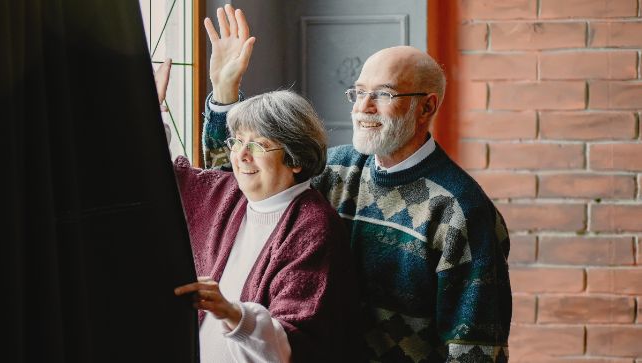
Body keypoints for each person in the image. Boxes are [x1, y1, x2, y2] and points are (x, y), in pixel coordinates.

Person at [200, 5, 512, 362]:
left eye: (384, 94)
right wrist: (225, 91)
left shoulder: (460, 210)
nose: (363, 107)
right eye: (359, 92)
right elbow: (233, 191)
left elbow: (475, 349)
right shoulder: (335, 169)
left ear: (426, 107)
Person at [154, 60, 360, 362]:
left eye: (259, 145)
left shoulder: (313, 227)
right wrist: (151, 113)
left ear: (295, 158)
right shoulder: (226, 192)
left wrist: (232, 312)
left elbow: (293, 345)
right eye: (237, 142)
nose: (242, 156)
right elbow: (158, 178)